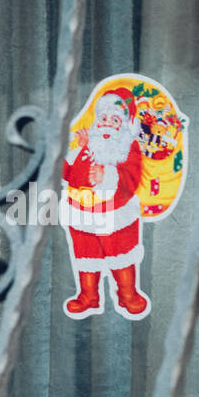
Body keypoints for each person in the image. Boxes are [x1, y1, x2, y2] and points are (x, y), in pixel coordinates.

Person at [60, 91, 151, 320]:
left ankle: (127, 294)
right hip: (81, 214)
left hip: (115, 216)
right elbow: (67, 174)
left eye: (114, 120)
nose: (107, 124)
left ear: (124, 125)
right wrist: (78, 148)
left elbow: (132, 180)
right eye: (103, 119)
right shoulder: (88, 145)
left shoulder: (128, 148)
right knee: (85, 255)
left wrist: (107, 175)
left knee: (120, 254)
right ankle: (89, 296)